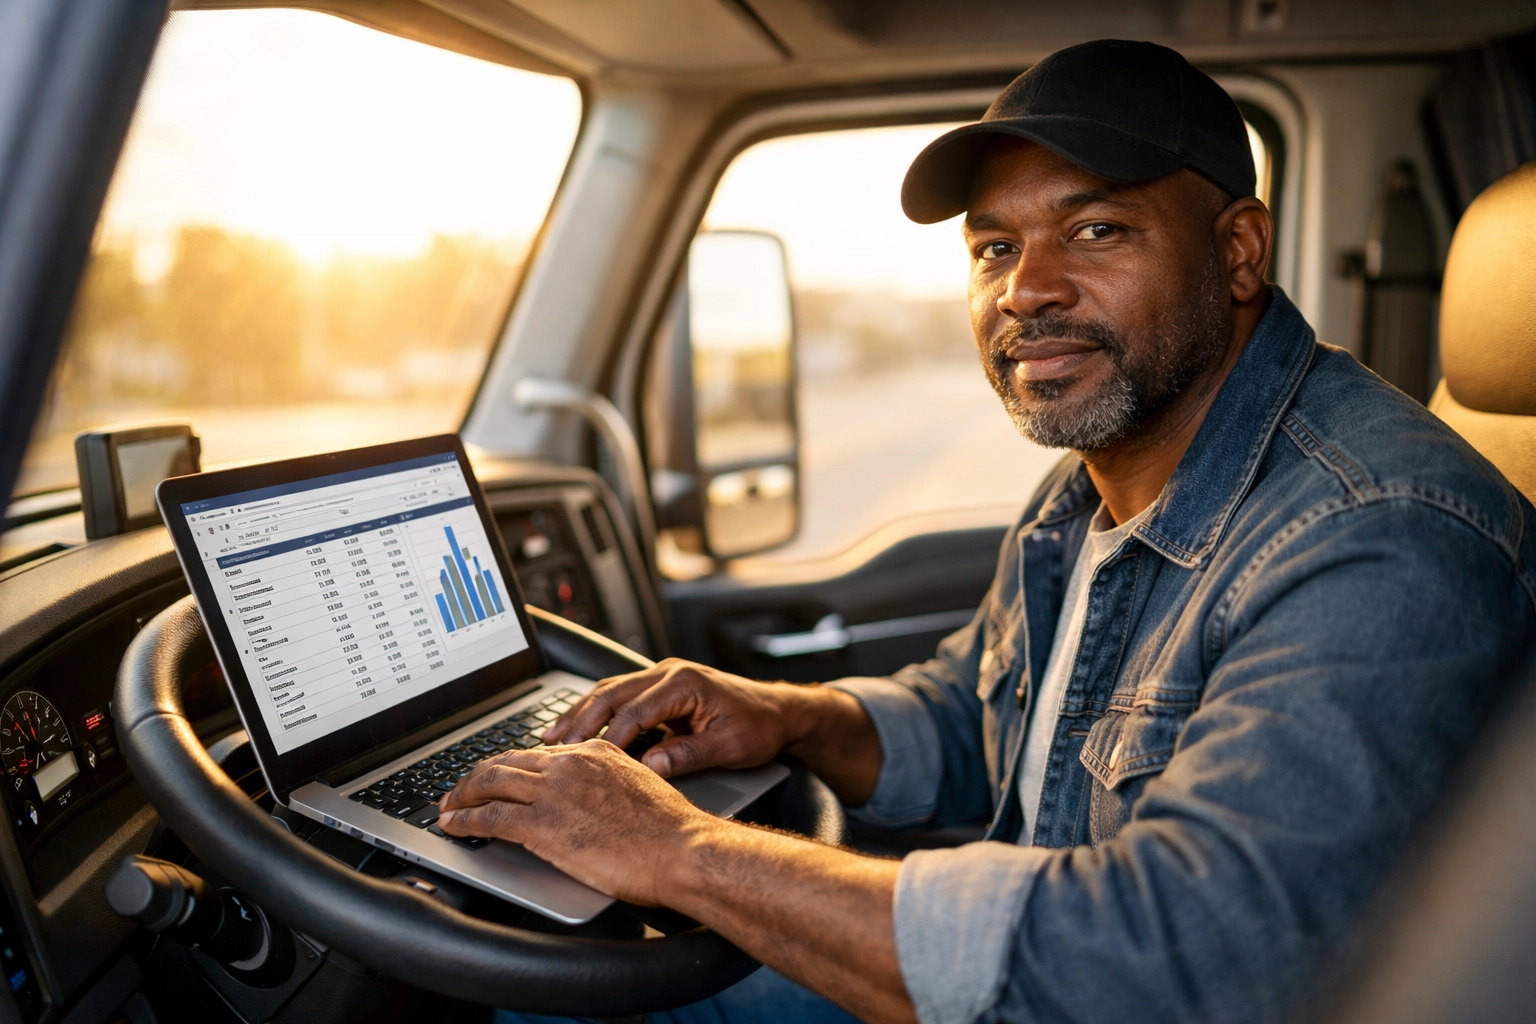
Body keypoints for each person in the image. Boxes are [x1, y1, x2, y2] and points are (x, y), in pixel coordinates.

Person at [441, 39, 1536, 1024]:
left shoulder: (1377, 537)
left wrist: (679, 849)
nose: (1027, 290)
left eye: (1096, 229)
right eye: (994, 249)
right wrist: (784, 716)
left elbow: (1179, 961)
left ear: (1240, 251)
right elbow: (979, 716)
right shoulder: (1093, 486)